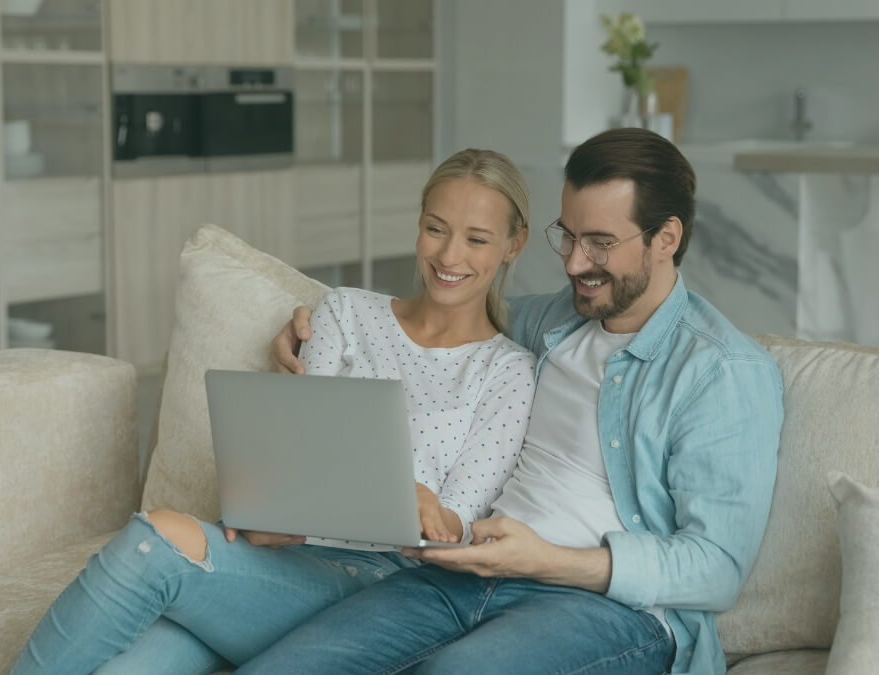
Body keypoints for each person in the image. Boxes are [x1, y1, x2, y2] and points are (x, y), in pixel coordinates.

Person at [255, 127, 785, 675]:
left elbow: (717, 569)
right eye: (568, 236)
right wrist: (306, 322)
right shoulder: (548, 322)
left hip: (604, 609)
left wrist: (547, 561)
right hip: (461, 578)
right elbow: (438, 316)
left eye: (600, 243)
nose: (576, 264)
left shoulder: (721, 372)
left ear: (666, 238)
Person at [10, 148, 538, 674]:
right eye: (436, 228)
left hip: (381, 587)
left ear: (514, 245)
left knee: (157, 540)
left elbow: (458, 530)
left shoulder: (507, 372)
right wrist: (264, 510)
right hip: (276, 555)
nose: (449, 256)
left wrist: (416, 500)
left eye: (477, 239)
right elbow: (293, 447)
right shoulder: (347, 312)